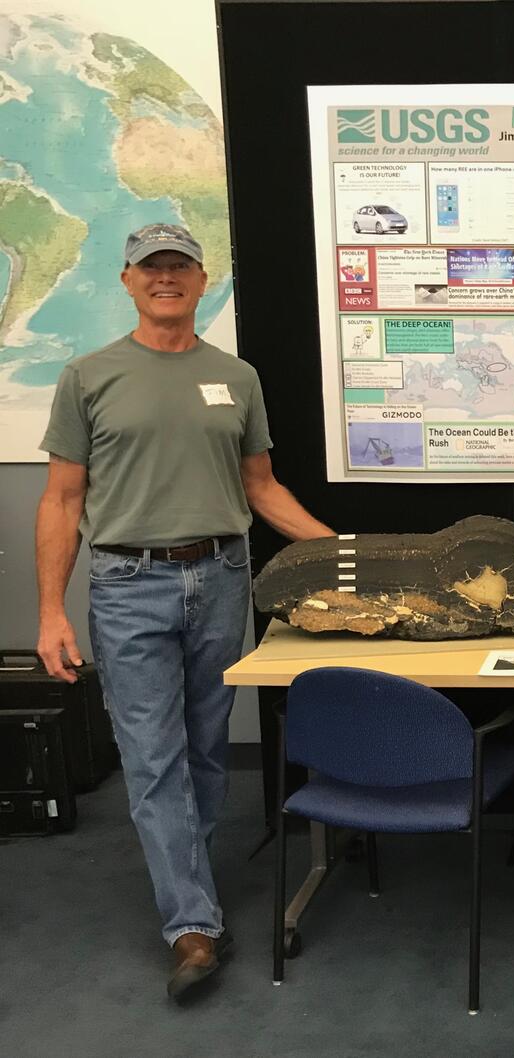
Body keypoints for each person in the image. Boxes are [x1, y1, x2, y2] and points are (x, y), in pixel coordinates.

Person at [35, 223, 334, 1000]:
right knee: (152, 757)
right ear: (128, 281)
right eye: (151, 268)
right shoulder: (88, 375)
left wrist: (343, 550)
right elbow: (63, 500)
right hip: (128, 584)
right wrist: (49, 614)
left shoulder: (237, 377)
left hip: (222, 576)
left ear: (203, 281)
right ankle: (192, 925)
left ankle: (187, 884)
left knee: (204, 749)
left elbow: (261, 489)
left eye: (180, 267)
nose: (166, 278)